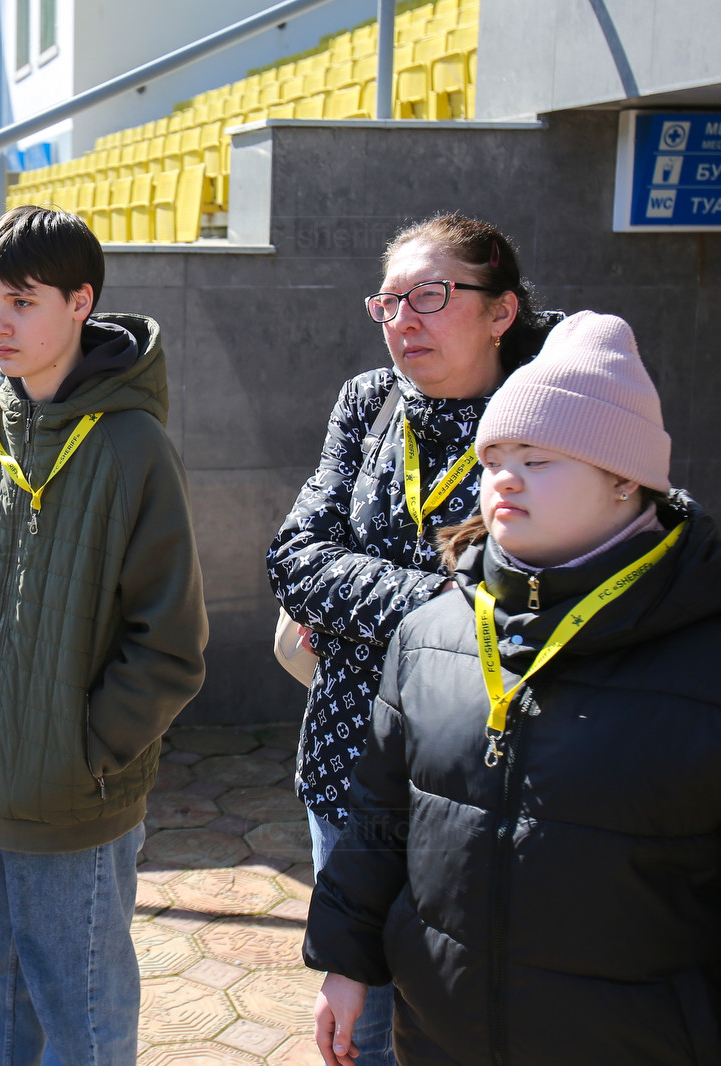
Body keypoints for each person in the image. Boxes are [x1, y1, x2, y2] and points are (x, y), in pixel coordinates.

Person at [305, 311, 721, 1065]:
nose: (503, 478)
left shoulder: (702, 649)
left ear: (626, 477)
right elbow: (379, 818)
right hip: (442, 1037)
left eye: (538, 458)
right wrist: (345, 960)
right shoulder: (431, 633)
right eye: (494, 456)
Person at [0, 205, 208, 1065]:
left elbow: (170, 642)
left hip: (74, 800)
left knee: (82, 1014)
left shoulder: (135, 447)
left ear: (80, 302)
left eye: (22, 302)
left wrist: (86, 752)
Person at [266, 214, 559, 1065]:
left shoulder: (548, 418)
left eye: (429, 296)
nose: (403, 320)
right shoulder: (370, 400)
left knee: (460, 1026)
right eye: (389, 301)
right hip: (348, 758)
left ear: (500, 311)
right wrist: (444, 604)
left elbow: (526, 603)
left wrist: (362, 602)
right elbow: (295, 557)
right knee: (361, 1027)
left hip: (475, 784)